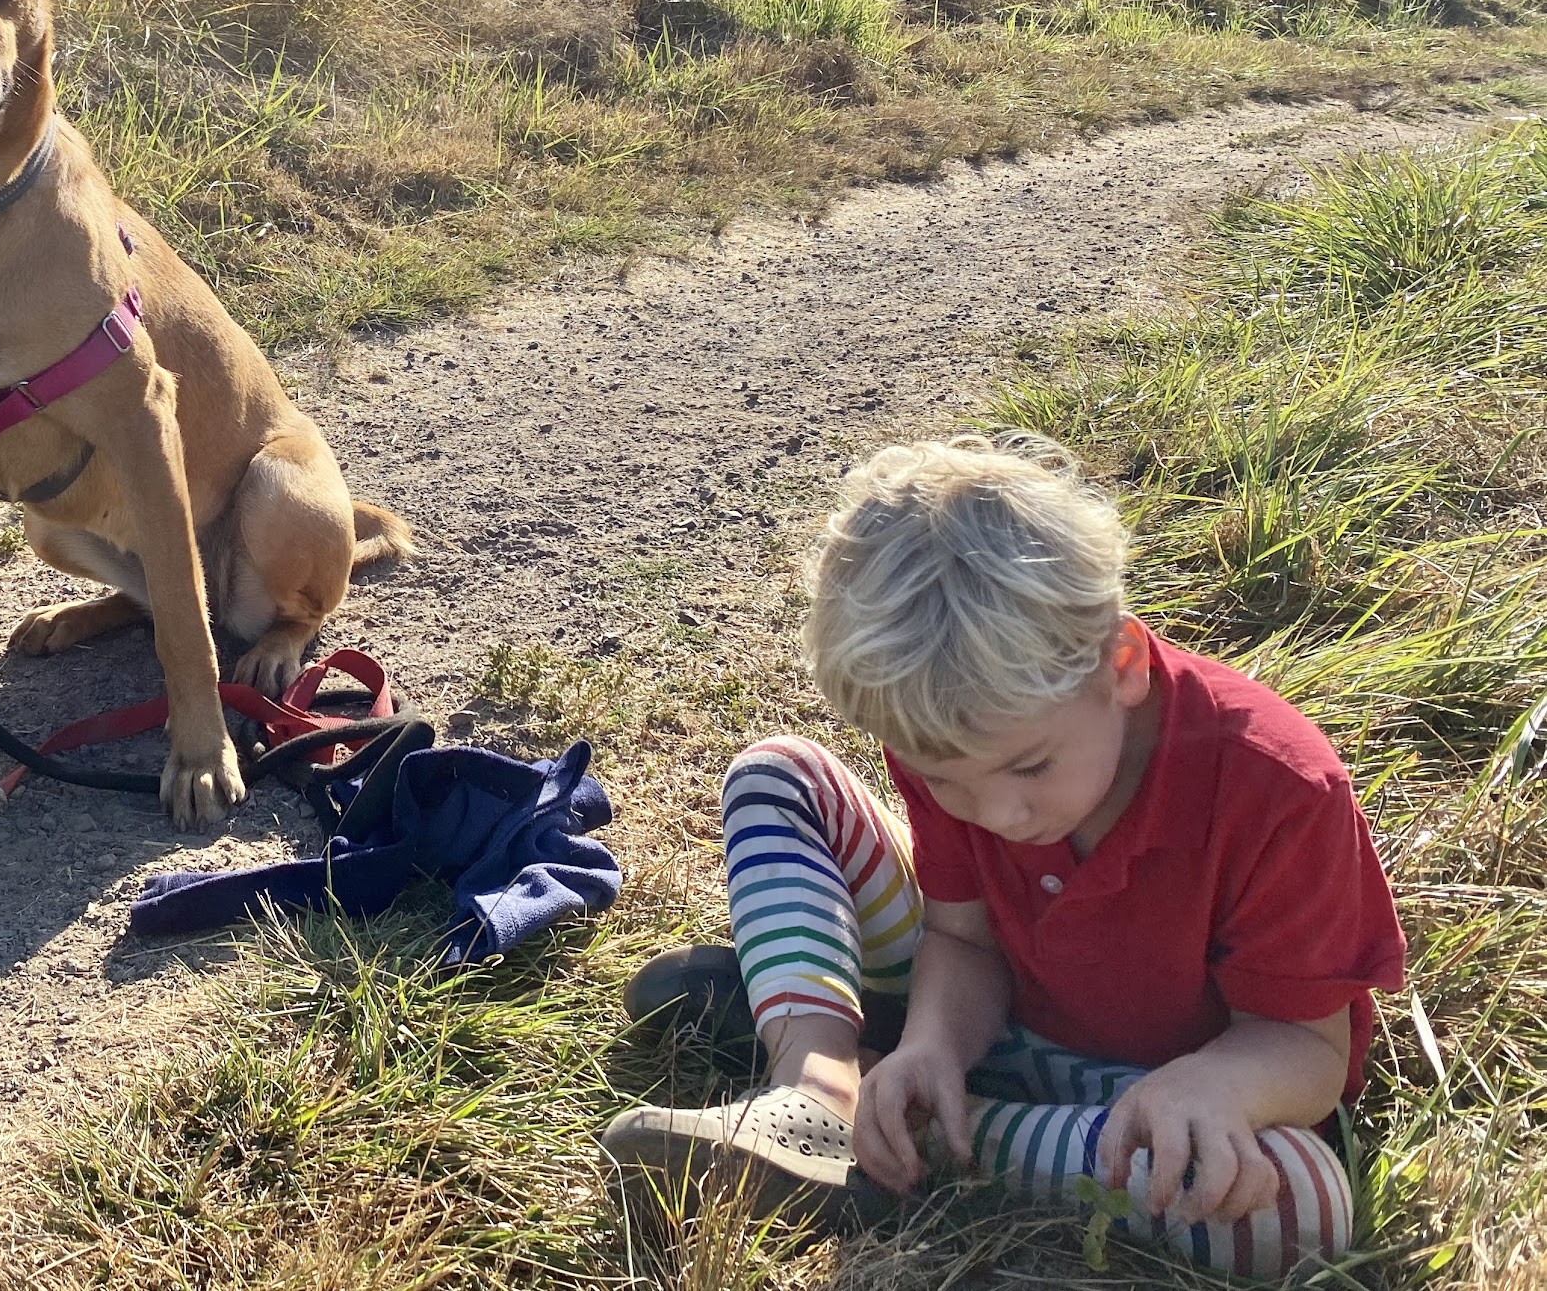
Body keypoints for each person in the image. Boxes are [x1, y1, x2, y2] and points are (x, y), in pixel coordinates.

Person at [600, 434, 1405, 1277]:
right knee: (778, 775)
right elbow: (962, 938)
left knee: (1293, 1209)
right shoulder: (967, 737)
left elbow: (1306, 1049)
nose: (998, 815)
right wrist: (934, 1046)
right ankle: (819, 1092)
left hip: (1150, 1092)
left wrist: (1213, 1087)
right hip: (995, 1008)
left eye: (1030, 768)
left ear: (1120, 663)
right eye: (945, 781)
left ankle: (918, 1127)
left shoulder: (1277, 787)